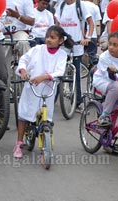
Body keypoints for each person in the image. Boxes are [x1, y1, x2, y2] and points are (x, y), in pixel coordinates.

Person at [13, 25, 74, 158]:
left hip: (48, 89)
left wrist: (45, 77)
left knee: (46, 117)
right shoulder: (38, 49)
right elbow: (24, 59)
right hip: (32, 87)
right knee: (24, 115)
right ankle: (18, 143)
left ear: (60, 41)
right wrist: (23, 70)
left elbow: (59, 71)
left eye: (52, 37)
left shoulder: (62, 55)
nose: (48, 40)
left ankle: (45, 144)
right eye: (47, 37)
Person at [55, 0, 94, 113]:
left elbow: (91, 22)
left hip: (77, 45)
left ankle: (78, 103)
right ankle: (53, 99)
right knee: (58, 74)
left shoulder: (80, 5)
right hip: (62, 46)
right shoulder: (61, 5)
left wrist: (88, 37)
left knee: (76, 76)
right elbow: (57, 25)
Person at [83, 0, 102, 66]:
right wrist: (98, 37)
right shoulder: (95, 7)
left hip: (81, 36)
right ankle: (91, 73)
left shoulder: (78, 5)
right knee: (92, 57)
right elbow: (97, 24)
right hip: (92, 35)